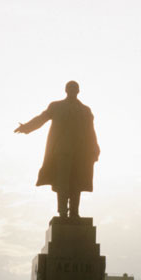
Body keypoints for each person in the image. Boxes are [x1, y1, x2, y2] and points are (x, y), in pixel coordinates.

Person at [15, 80, 100, 218]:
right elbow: (41, 118)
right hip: (62, 151)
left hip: (81, 152)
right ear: (66, 90)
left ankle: (74, 212)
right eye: (70, 87)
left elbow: (91, 131)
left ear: (78, 91)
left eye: (75, 88)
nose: (72, 90)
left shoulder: (85, 110)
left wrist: (95, 146)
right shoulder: (56, 106)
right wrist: (26, 127)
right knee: (63, 181)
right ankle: (62, 212)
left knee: (76, 182)